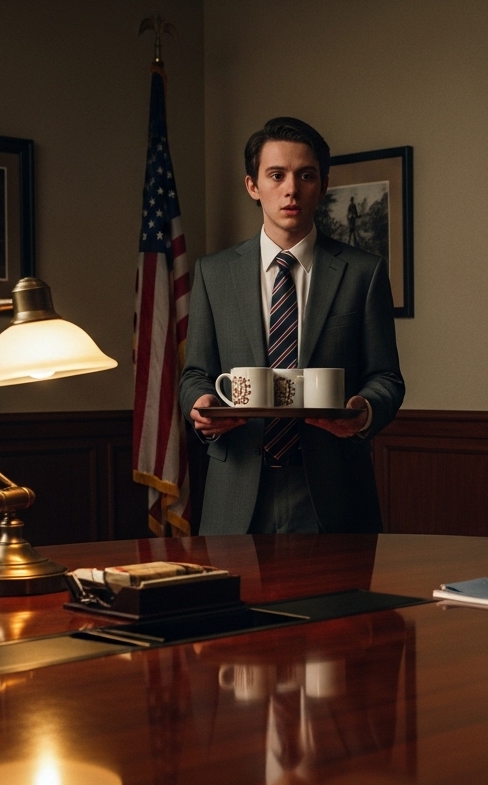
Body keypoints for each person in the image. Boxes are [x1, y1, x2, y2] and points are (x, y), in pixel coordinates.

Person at [179, 117, 404, 535]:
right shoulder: (214, 273)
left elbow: (386, 377)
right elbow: (195, 373)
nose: (291, 189)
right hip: (237, 489)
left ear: (322, 184)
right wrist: (201, 404)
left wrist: (364, 411)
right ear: (252, 185)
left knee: (339, 602)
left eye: (306, 175)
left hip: (333, 492)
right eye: (276, 175)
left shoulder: (363, 272)